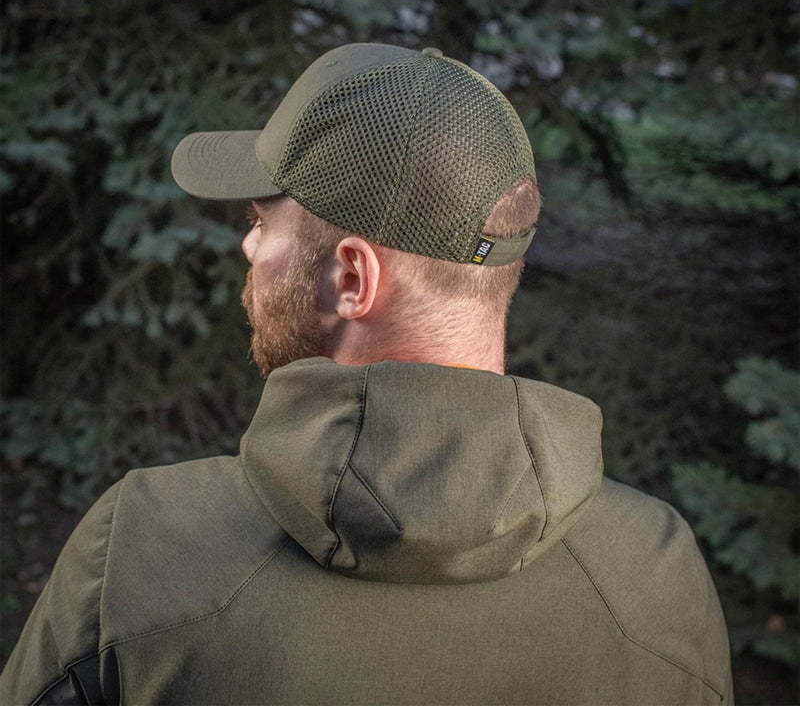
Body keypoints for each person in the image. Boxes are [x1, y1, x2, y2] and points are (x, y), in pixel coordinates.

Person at [1, 43, 732, 705]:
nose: (249, 248)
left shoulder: (142, 552)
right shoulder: (656, 582)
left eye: (261, 220)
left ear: (353, 276)